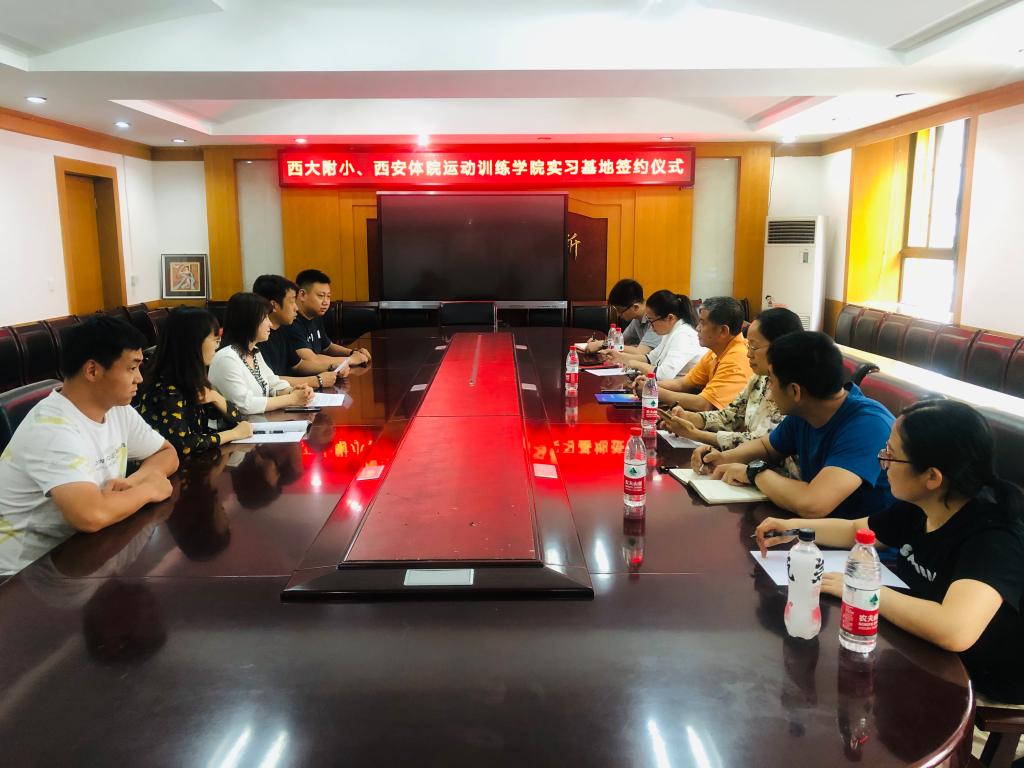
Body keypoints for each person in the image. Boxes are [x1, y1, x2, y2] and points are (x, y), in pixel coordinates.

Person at [756, 399, 1024, 756]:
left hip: (987, 690)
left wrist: (862, 591)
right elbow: (857, 530)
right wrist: (794, 528)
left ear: (932, 477)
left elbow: (955, 629)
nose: (881, 461)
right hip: (927, 658)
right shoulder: (925, 504)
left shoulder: (993, 535)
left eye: (892, 456)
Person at [0, 315, 178, 575]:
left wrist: (135, 481)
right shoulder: (51, 429)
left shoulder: (116, 408)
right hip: (23, 575)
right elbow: (90, 515)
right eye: (132, 368)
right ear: (92, 370)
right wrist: (148, 490)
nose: (139, 378)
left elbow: (166, 452)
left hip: (79, 552)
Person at [696, 331, 894, 519]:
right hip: (816, 529)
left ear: (794, 391)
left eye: (771, 381)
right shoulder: (808, 410)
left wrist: (754, 473)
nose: (769, 390)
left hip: (863, 541)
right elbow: (768, 447)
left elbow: (813, 503)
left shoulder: (868, 426)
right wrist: (722, 458)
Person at [659, 307, 804, 477]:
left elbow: (763, 443)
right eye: (748, 345)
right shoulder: (760, 377)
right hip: (756, 471)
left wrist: (695, 434)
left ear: (780, 347)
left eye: (754, 346)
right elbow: (732, 415)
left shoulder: (791, 391)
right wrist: (690, 418)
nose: (748, 354)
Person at [136, 307, 253, 456]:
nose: (217, 346)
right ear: (193, 342)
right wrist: (233, 434)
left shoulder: (192, 378)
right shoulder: (165, 388)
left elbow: (239, 420)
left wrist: (215, 397)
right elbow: (184, 445)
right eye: (215, 339)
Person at [208, 292, 315, 416]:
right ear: (249, 321)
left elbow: (272, 383)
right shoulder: (226, 358)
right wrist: (292, 399)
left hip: (259, 422)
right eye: (265, 318)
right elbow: (244, 406)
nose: (270, 324)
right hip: (237, 426)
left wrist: (293, 391)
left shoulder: (254, 351)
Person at [647, 296, 752, 411]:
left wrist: (654, 391)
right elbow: (683, 384)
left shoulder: (737, 359)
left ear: (723, 331)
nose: (697, 328)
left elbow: (705, 404)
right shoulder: (716, 351)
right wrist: (649, 384)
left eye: (703, 323)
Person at [252, 274, 341, 387]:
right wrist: (317, 380)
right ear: (273, 305)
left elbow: (298, 365)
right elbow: (269, 380)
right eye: (292, 302)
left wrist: (332, 367)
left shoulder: (282, 329)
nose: (296, 308)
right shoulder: (258, 337)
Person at [608, 290, 703, 380]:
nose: (651, 327)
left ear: (670, 318)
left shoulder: (684, 336)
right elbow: (650, 359)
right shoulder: (671, 331)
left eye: (651, 321)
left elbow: (664, 375)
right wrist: (620, 357)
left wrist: (636, 364)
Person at [289, 269, 371, 369]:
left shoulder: (315, 316)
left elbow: (327, 347)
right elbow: (311, 360)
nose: (326, 302)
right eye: (321, 296)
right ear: (302, 295)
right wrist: (351, 360)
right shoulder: (291, 321)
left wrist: (353, 352)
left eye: (328, 296)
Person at [583, 279, 661, 355]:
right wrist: (598, 344)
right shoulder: (637, 319)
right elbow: (621, 342)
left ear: (635, 307)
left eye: (620, 310)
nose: (618, 315)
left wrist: (602, 344)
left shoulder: (656, 319)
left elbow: (640, 352)